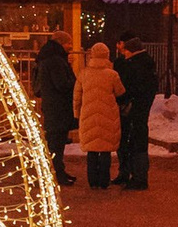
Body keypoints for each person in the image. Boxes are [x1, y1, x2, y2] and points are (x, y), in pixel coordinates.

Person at [76, 42, 125, 190]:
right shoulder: (112, 74)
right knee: (105, 151)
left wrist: (76, 113)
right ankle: (104, 181)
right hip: (108, 115)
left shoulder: (83, 73)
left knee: (91, 150)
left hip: (88, 114)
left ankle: (93, 181)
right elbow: (120, 92)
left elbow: (77, 96)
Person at [31, 35, 78, 188]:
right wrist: (75, 83)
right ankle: (56, 174)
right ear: (60, 43)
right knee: (56, 143)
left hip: (51, 106)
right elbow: (62, 84)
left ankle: (56, 172)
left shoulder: (47, 58)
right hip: (58, 107)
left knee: (54, 141)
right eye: (68, 42)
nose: (70, 46)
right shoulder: (56, 61)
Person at [116, 35, 157, 191]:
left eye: (125, 52)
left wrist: (123, 98)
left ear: (130, 50)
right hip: (140, 109)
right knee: (136, 141)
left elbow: (132, 88)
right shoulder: (146, 63)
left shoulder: (136, 66)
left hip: (135, 109)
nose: (124, 55)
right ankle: (136, 176)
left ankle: (139, 178)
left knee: (136, 142)